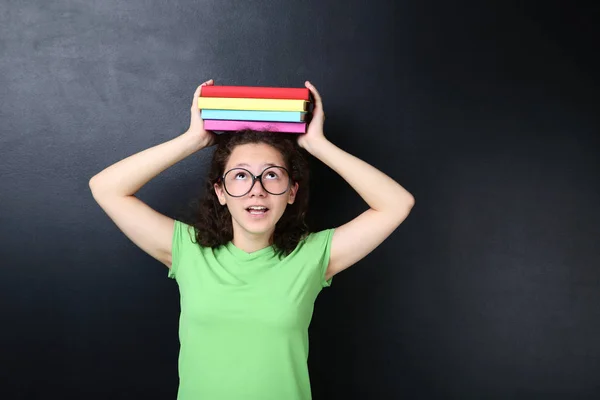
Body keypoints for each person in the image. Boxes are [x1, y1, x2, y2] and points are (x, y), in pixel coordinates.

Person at [89, 79, 415, 399]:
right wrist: (193, 139)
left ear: (291, 192)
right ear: (220, 191)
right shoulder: (188, 250)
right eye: (241, 175)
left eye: (271, 174)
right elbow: (106, 188)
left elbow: (396, 204)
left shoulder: (312, 256)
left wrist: (318, 145)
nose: (256, 189)